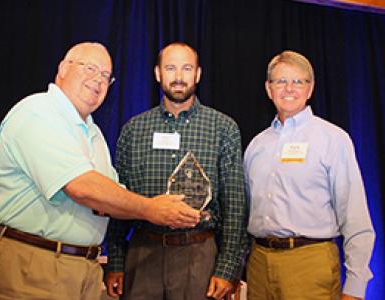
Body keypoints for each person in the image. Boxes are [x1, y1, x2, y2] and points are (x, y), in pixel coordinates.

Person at [0, 42, 201, 300]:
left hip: (81, 268)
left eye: (105, 76)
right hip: (30, 265)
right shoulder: (38, 112)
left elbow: (108, 196)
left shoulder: (92, 132)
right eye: (90, 68)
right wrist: (151, 208)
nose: (97, 80)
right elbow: (83, 188)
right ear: (63, 68)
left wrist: (144, 204)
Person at [105, 42, 248, 300]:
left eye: (187, 68)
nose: (179, 77)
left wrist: (228, 268)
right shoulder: (133, 130)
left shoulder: (223, 128)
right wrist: (116, 262)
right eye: (170, 68)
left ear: (198, 74)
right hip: (141, 253)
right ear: (158, 73)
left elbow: (235, 205)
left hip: (199, 254)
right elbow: (119, 199)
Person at [243, 50, 375, 300]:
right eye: (281, 81)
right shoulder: (256, 145)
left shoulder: (333, 139)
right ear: (269, 89)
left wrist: (356, 285)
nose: (289, 88)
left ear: (310, 88)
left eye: (298, 81)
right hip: (259, 264)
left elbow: (354, 215)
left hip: (310, 263)